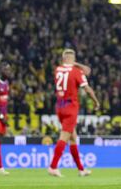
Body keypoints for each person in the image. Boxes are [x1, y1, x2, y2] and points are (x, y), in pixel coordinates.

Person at [48, 49, 100, 177]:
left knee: (73, 138)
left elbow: (67, 65)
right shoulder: (76, 72)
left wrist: (73, 63)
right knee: (64, 137)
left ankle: (81, 170)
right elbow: (87, 89)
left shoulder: (58, 69)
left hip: (59, 106)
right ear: (74, 58)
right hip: (70, 107)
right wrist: (96, 101)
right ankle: (53, 166)